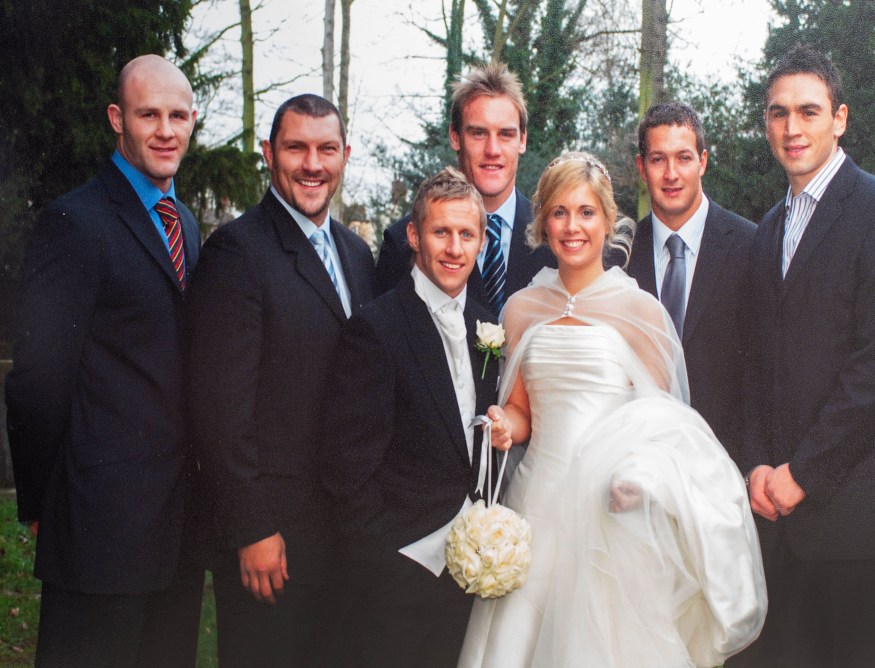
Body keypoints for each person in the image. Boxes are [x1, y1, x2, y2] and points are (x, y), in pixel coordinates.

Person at [458, 152, 766, 667]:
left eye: (584, 212)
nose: (571, 226)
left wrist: (635, 479)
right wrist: (503, 425)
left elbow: (663, 425)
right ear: (543, 223)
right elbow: (521, 409)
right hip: (535, 502)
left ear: (607, 219)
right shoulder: (521, 308)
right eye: (558, 212)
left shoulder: (640, 310)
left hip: (608, 508)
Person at [5, 54, 205, 666]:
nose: (165, 130)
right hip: (97, 530)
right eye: (149, 114)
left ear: (193, 121)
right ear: (118, 119)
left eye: (177, 115)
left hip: (174, 530)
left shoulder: (187, 224)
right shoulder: (76, 221)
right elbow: (37, 381)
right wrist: (44, 504)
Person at [741, 44, 875, 667]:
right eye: (778, 113)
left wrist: (801, 476)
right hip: (779, 521)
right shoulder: (769, 226)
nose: (792, 128)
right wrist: (757, 469)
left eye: (808, 111)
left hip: (860, 519)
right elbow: (759, 363)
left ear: (840, 118)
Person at [188, 94, 376, 667]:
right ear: (270, 154)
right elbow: (219, 410)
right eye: (296, 148)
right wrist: (252, 528)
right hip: (274, 541)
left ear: (345, 155)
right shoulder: (236, 253)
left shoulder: (355, 253)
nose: (312, 164)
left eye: (326, 149)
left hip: (342, 536)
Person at [323, 167, 505, 667]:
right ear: (413, 235)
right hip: (398, 580)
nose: (453, 248)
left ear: (482, 241)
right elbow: (348, 467)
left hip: (471, 580)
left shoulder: (485, 325)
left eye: (466, 234)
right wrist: (386, 566)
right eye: (440, 231)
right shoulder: (376, 329)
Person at [624, 102, 756, 464]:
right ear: (641, 167)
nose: (671, 174)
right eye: (657, 159)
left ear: (703, 162)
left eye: (683, 158)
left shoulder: (751, 247)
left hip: (724, 463)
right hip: (637, 462)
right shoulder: (617, 257)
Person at [375, 62, 554, 314]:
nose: (492, 150)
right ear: (455, 136)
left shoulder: (554, 237)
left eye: (505, 134)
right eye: (479, 133)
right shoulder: (401, 244)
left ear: (522, 140)